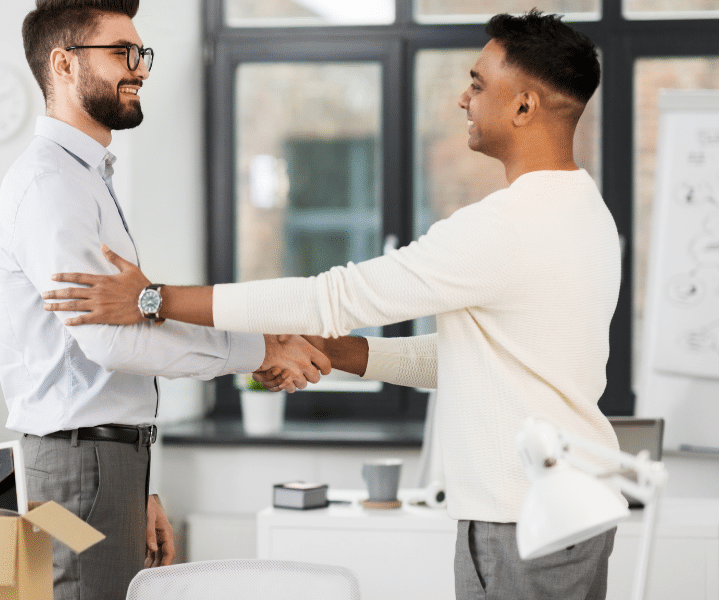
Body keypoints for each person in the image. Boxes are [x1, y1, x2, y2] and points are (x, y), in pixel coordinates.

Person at [41, 9, 624, 600]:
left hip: (522, 517)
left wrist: (151, 298)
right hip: (558, 510)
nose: (462, 99)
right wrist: (335, 353)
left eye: (477, 83)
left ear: (524, 106)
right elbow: (465, 357)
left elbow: (332, 295)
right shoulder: (583, 212)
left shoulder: (507, 226)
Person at [0, 1, 331, 598]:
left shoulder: (85, 178)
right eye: (122, 53)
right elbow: (112, 340)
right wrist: (257, 352)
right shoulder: (52, 187)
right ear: (64, 64)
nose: (141, 69)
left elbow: (128, 330)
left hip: (102, 464)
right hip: (80, 467)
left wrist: (142, 485)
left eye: (141, 53)